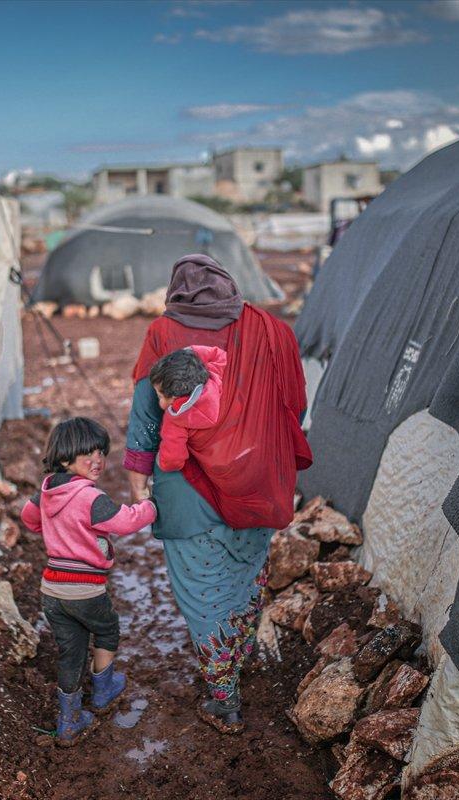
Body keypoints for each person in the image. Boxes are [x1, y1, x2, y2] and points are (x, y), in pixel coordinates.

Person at [124, 254, 311, 735]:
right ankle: (239, 650)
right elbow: (294, 405)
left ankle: (224, 697)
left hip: (185, 488)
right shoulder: (273, 330)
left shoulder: (163, 333)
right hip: (259, 482)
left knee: (203, 592)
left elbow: (146, 415)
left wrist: (136, 479)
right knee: (246, 573)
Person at [20, 417, 157, 746]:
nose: (97, 459)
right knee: (107, 630)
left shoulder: (48, 489)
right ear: (66, 458)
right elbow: (123, 522)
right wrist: (149, 507)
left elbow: (27, 517)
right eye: (88, 453)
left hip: (52, 590)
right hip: (85, 589)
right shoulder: (90, 497)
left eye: (101, 451)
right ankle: (103, 690)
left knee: (71, 651)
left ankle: (69, 721)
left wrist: (54, 530)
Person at [149, 345, 227, 473]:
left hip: (216, 469)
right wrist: (190, 352)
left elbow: (172, 460)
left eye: (159, 396)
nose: (158, 401)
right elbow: (220, 354)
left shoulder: (174, 421)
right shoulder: (216, 374)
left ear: (174, 397)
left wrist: (159, 460)